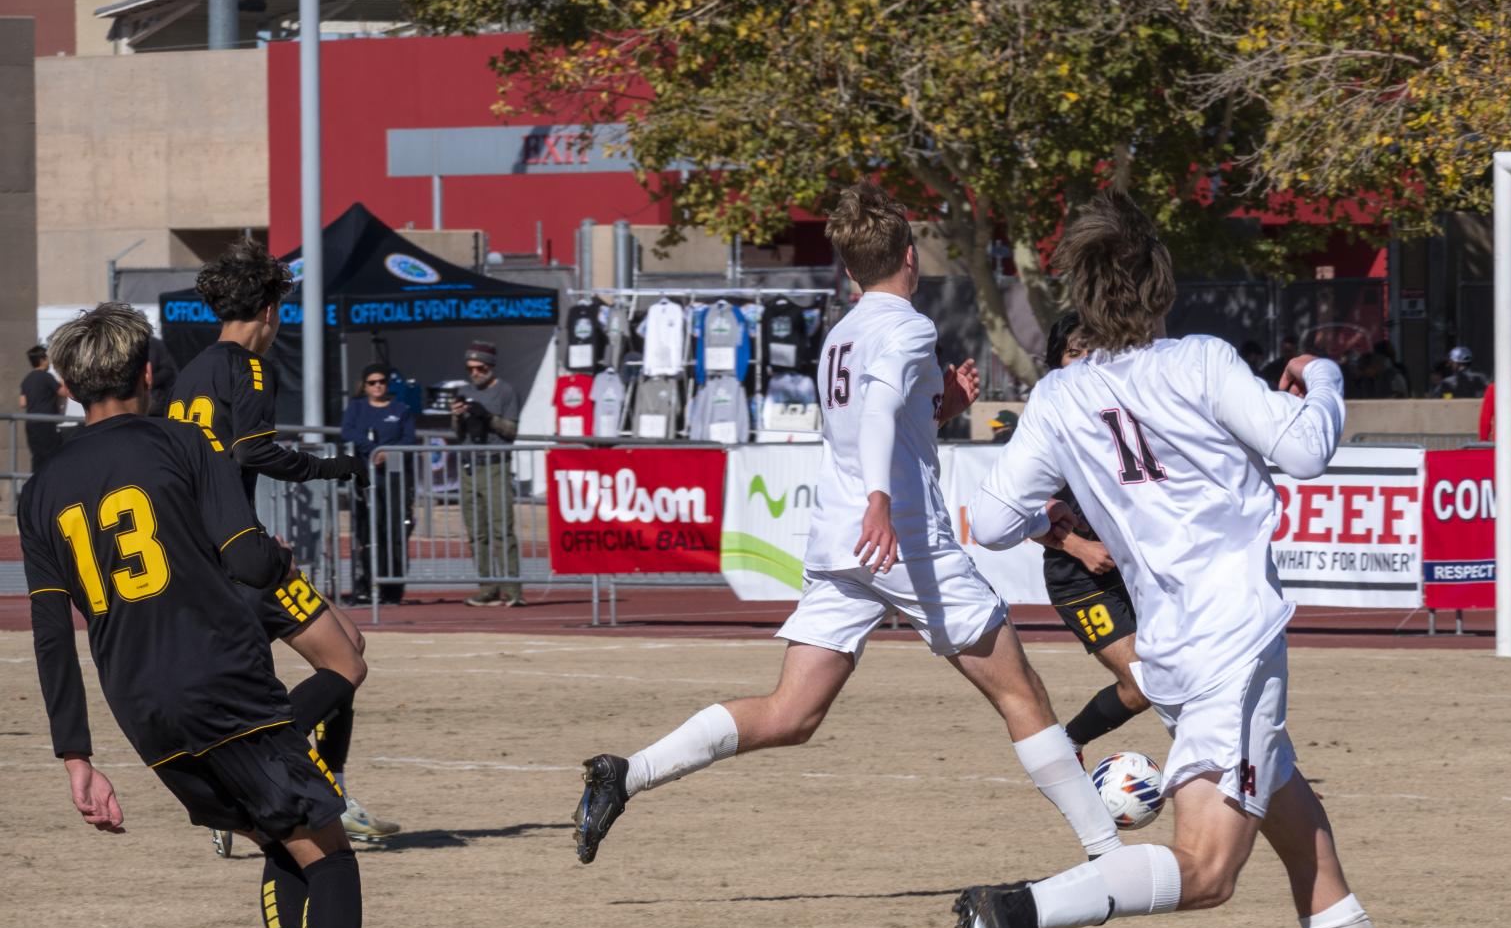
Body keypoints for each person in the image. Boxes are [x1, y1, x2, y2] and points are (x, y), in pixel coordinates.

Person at [959, 192, 1487, 928]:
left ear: (1085, 298)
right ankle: (1013, 909)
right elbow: (1307, 449)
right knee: (1207, 872)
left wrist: (1081, 501)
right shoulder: (1199, 362)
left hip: (1171, 649)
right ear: (1160, 290)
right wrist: (1319, 375)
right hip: (1234, 643)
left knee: (1304, 833)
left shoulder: (1059, 395)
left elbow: (997, 520)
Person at [571, 183, 1124, 872]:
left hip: (841, 545)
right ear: (910, 256)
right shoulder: (908, 326)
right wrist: (878, 500)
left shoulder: (843, 331)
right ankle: (1108, 854)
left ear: (847, 268)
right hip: (901, 540)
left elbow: (886, 418)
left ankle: (625, 773)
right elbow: (881, 406)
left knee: (790, 714)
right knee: (1022, 694)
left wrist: (942, 406)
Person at [20, 304, 427, 928]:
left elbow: (50, 634)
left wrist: (76, 755)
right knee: (331, 852)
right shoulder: (182, 441)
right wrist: (277, 568)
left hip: (140, 709)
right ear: (148, 373)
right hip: (218, 675)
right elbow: (243, 556)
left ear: (69, 388)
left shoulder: (39, 493)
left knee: (285, 839)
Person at [170, 239, 395, 846]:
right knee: (346, 662)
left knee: (348, 643)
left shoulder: (190, 372)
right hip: (239, 555)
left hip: (208, 551)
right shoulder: (251, 368)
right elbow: (254, 451)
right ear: (269, 310)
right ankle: (244, 782)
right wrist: (332, 467)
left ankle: (329, 789)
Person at [1036, 311, 1150, 751]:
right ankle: (1068, 744)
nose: (1083, 360)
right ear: (1056, 361)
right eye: (1073, 352)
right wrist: (1078, 546)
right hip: (1081, 578)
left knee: (1180, 673)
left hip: (1138, 568)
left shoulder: (1124, 412)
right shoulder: (1047, 421)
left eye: (1091, 350)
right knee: (1141, 683)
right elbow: (1013, 512)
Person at [450, 340, 523, 607]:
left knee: (502, 528)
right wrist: (457, 416)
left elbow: (512, 430)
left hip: (495, 465)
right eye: (470, 368)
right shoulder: (464, 390)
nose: (475, 373)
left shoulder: (506, 391)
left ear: (490, 366)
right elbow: (456, 435)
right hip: (470, 465)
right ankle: (487, 586)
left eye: (480, 368)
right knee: (476, 531)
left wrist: (488, 417)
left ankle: (513, 589)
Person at [340, 363, 418, 604]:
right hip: (366, 477)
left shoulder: (401, 409)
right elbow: (348, 431)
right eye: (372, 382)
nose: (377, 386)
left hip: (395, 479)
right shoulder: (356, 408)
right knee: (368, 532)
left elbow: (409, 439)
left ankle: (393, 587)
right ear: (364, 385)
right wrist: (373, 450)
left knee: (395, 532)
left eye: (381, 382)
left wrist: (388, 452)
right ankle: (366, 585)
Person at [19, 344, 70, 474]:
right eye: (47, 358)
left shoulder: (27, 379)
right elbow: (63, 392)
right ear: (42, 360)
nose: (49, 361)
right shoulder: (46, 377)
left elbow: (22, 402)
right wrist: (63, 377)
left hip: (31, 424)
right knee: (51, 457)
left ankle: (35, 489)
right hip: (45, 423)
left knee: (37, 458)